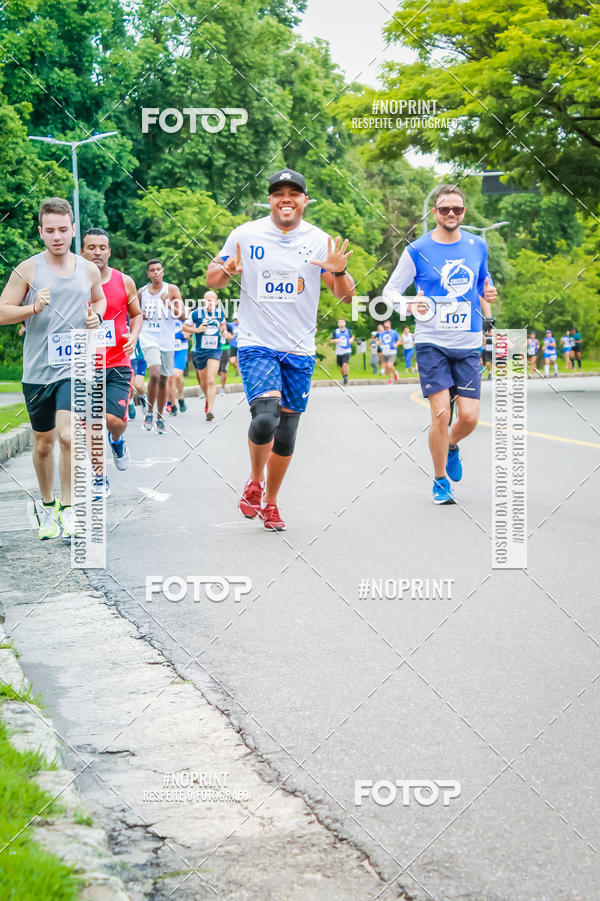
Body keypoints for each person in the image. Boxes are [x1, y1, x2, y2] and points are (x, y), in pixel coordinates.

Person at [206, 167, 354, 530]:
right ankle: (254, 482)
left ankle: (270, 502)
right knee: (265, 418)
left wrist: (337, 272)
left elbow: (345, 297)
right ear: (270, 199)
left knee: (286, 431)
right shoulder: (246, 233)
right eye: (278, 193)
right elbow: (212, 277)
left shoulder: (320, 240)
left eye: (294, 193)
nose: (285, 198)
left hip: (299, 348)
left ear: (305, 200)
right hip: (257, 343)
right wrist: (227, 270)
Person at [382, 183, 497, 504]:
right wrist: (408, 306)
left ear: (463, 213)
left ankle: (450, 445)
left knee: (471, 416)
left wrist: (488, 297)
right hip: (431, 341)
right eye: (444, 209)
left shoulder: (477, 246)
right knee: (440, 415)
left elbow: (483, 283)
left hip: (468, 342)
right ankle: (440, 479)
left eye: (457, 209)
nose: (451, 214)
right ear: (435, 212)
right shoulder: (417, 250)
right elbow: (390, 292)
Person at [0, 197, 105, 538]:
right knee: (43, 443)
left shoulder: (87, 269)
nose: (57, 236)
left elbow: (99, 297)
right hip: (37, 371)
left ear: (73, 229)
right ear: (41, 232)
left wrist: (97, 314)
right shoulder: (28, 269)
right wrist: (32, 310)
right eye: (50, 230)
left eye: (63, 229)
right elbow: (2, 312)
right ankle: (47, 507)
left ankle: (71, 509)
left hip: (73, 366)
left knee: (69, 435)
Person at [81, 228, 143, 498]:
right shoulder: (73, 282)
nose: (97, 252)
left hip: (118, 362)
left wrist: (134, 335)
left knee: (113, 421)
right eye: (91, 247)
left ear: (109, 251)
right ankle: (98, 478)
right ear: (81, 251)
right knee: (92, 423)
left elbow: (137, 314)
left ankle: (117, 441)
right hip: (84, 364)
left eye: (102, 247)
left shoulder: (124, 281)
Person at [138, 260, 184, 434]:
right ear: (148, 274)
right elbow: (133, 315)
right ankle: (149, 413)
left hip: (166, 341)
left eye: (159, 269)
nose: (156, 272)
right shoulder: (142, 292)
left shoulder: (172, 290)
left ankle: (159, 417)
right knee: (155, 374)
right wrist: (139, 315)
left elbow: (183, 316)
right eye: (152, 270)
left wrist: (168, 304)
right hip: (148, 338)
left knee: (164, 379)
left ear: (163, 272)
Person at [183, 291, 228, 421]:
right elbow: (184, 328)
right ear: (203, 301)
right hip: (200, 351)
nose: (210, 302)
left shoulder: (220, 313)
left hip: (215, 350)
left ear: (216, 301)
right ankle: (208, 398)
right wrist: (197, 330)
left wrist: (224, 332)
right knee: (203, 382)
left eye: (212, 300)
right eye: (207, 300)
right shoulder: (196, 313)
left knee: (211, 380)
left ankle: (210, 410)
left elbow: (223, 326)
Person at [167, 321, 189, 415]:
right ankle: (173, 405)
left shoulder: (183, 312)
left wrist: (189, 333)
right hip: (167, 349)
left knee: (178, 375)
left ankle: (180, 396)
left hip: (181, 349)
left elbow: (191, 328)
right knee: (169, 377)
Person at [330, 317, 354, 385]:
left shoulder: (348, 331)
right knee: (341, 367)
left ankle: (346, 378)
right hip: (339, 352)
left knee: (345, 364)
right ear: (338, 324)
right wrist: (336, 340)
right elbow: (331, 340)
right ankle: (344, 376)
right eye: (339, 322)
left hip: (347, 350)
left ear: (344, 323)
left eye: (342, 322)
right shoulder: (335, 331)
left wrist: (351, 340)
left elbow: (352, 337)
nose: (341, 323)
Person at [218, 321, 234, 396]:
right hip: (215, 350)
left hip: (225, 348)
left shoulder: (227, 325)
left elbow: (232, 334)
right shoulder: (212, 323)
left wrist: (230, 337)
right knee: (217, 371)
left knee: (223, 370)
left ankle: (222, 389)